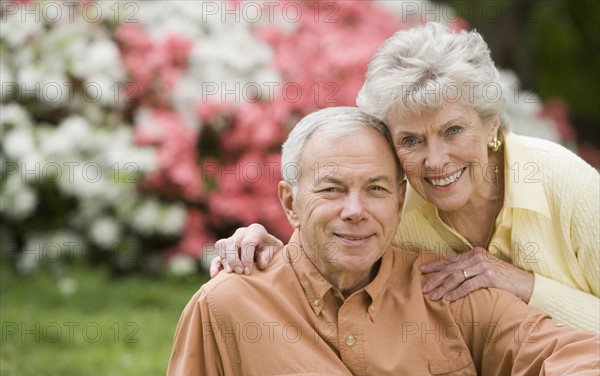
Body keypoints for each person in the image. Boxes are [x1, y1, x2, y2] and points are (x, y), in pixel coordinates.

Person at [164, 107, 599, 376]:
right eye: (332, 190)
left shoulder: (450, 290)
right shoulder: (226, 307)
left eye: (375, 189)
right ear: (290, 203)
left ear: (398, 199)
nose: (355, 211)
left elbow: (579, 359)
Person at [209, 22, 600, 331]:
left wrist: (525, 285)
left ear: (491, 126)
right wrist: (265, 248)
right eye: (411, 140)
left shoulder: (567, 186)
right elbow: (319, 272)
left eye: (453, 131)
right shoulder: (390, 208)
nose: (435, 161)